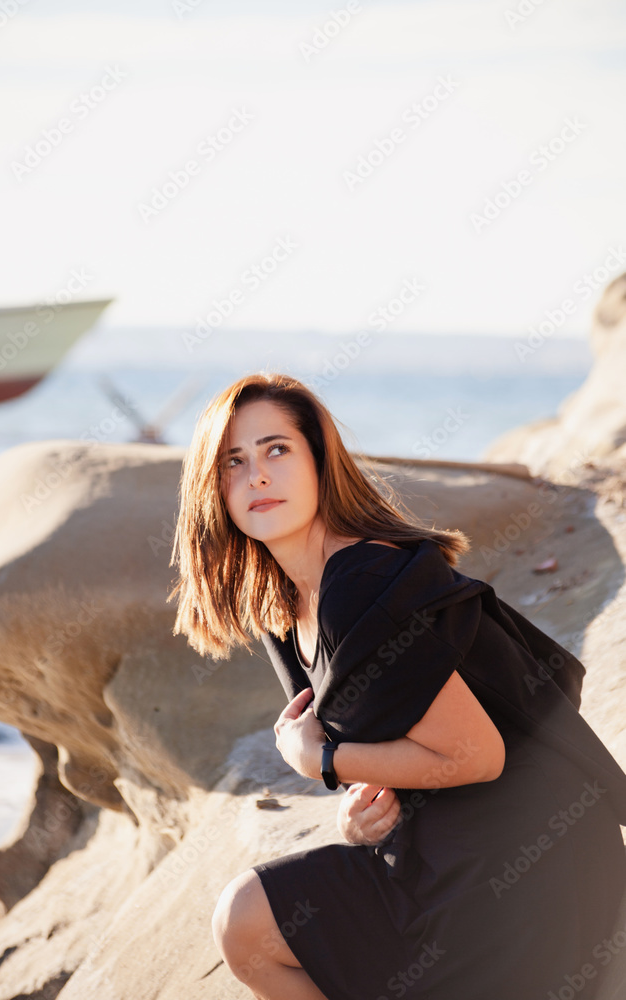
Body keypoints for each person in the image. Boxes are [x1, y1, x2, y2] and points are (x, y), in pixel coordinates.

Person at [169, 370, 626, 1000]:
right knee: (244, 925)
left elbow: (476, 755)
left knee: (246, 916)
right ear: (211, 488)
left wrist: (319, 760)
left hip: (524, 863)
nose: (259, 476)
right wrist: (360, 817)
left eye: (278, 449)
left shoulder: (359, 580)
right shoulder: (284, 604)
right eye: (233, 462)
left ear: (321, 462)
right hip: (445, 850)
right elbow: (394, 736)